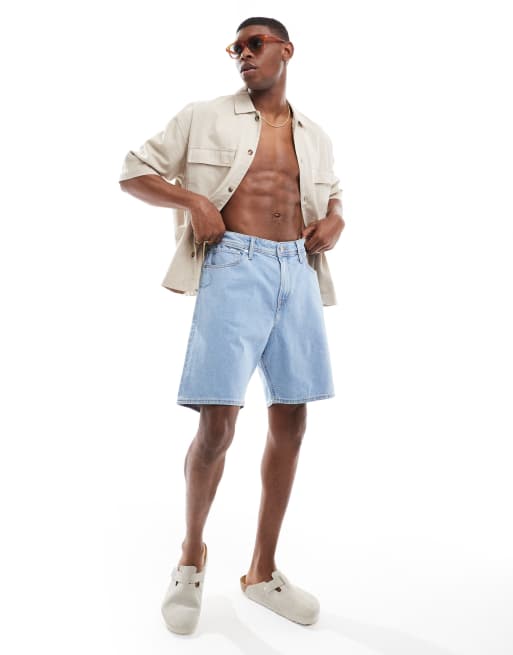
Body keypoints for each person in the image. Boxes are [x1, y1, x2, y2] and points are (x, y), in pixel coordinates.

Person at [118, 16, 345, 634]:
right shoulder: (204, 116)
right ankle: (191, 558)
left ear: (285, 50)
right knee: (217, 425)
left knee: (292, 422)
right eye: (236, 48)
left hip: (297, 271)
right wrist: (193, 200)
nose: (243, 54)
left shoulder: (315, 135)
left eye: (255, 44)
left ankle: (261, 572)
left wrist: (336, 221)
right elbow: (133, 170)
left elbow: (333, 194)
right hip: (233, 267)